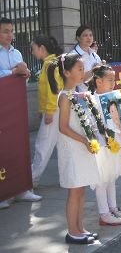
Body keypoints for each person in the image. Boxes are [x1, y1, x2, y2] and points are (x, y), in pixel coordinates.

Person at [46, 53, 100, 244]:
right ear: (67, 72)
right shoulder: (65, 97)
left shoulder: (78, 94)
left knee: (81, 189)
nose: (82, 72)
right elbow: (63, 127)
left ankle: (80, 227)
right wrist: (84, 140)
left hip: (81, 146)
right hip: (72, 147)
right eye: (79, 69)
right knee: (74, 190)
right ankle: (72, 231)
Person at [0, 17, 41, 210]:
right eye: (5, 31)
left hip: (16, 106)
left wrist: (24, 73)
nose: (10, 35)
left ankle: (21, 188)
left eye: (11, 31)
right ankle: (4, 192)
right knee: (3, 149)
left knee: (19, 146)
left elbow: (22, 76)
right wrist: (12, 72)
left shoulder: (16, 52)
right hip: (2, 107)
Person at [87, 65, 121, 226]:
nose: (113, 83)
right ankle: (104, 213)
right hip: (101, 144)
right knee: (101, 179)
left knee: (111, 177)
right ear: (98, 81)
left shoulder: (115, 97)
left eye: (114, 79)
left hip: (115, 143)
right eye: (109, 80)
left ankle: (113, 207)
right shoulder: (91, 99)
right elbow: (90, 123)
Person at [31, 35, 63, 186]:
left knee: (42, 146)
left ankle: (32, 179)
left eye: (33, 48)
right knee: (61, 145)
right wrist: (41, 109)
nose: (32, 52)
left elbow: (53, 90)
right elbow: (45, 91)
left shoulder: (50, 64)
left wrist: (48, 111)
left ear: (42, 49)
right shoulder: (50, 63)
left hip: (53, 111)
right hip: (53, 110)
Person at [71, 25, 102, 91]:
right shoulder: (73, 56)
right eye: (85, 35)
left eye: (91, 35)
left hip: (96, 94)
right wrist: (94, 70)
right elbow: (76, 80)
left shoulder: (94, 55)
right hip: (81, 96)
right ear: (78, 38)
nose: (89, 38)